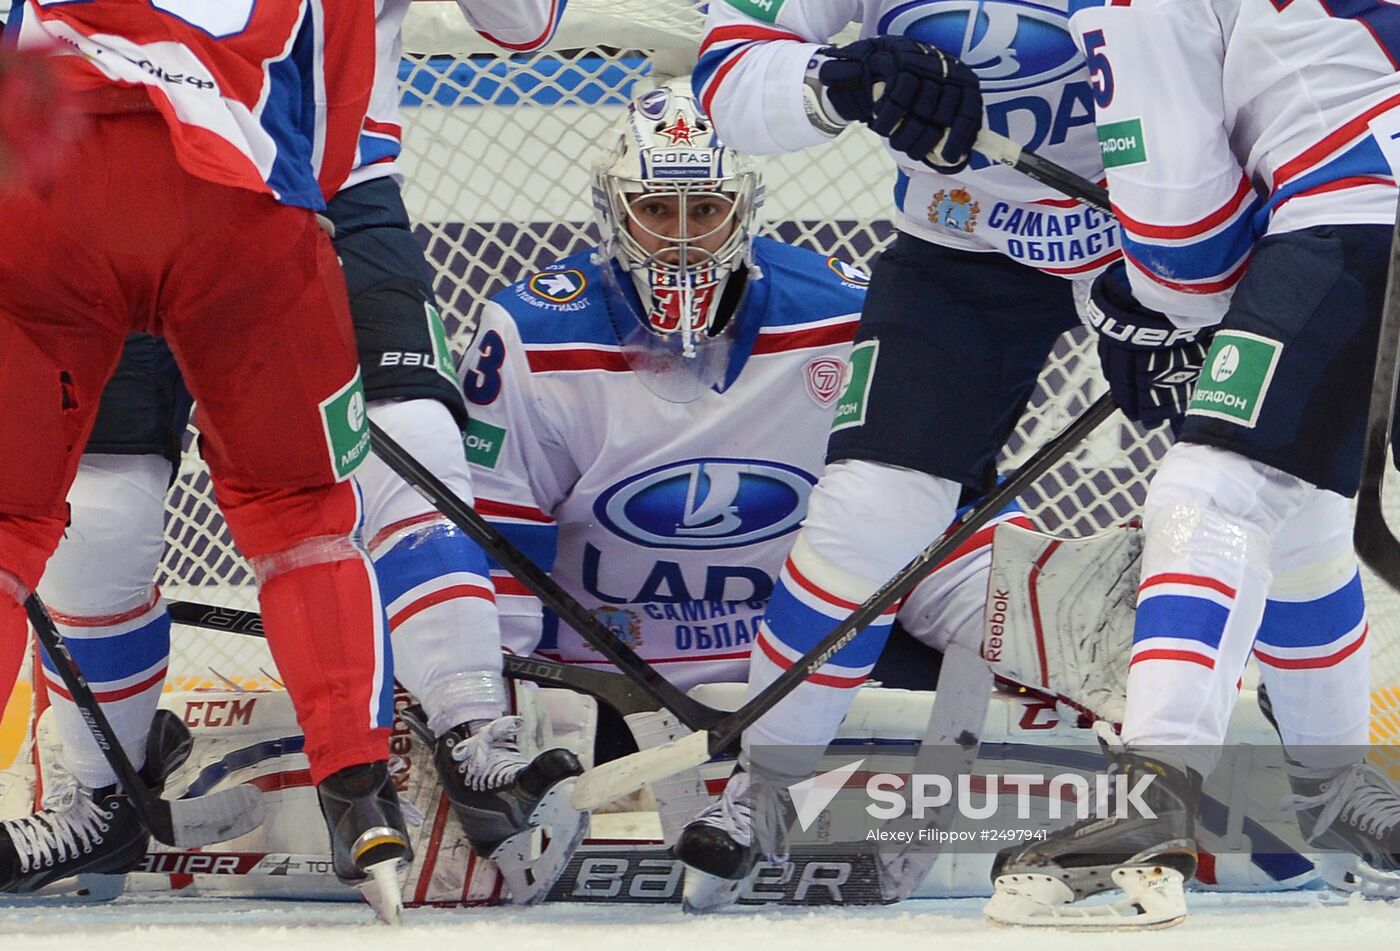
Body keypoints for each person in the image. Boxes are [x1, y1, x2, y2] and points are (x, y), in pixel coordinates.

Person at [0, 0, 586, 908]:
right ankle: (97, 786)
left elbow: (523, 25)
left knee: (408, 440)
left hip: (324, 181)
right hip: (99, 158)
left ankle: (475, 730)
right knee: (104, 501)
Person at [675, 0, 1131, 906]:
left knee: (1246, 483)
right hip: (960, 241)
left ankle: (1296, 766)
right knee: (869, 512)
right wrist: (839, 82)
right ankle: (766, 783)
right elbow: (727, 67)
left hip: (1181, 236)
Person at [986, 0, 1400, 927]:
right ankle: (1339, 792)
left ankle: (1150, 798)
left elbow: (1184, 239)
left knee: (1216, 491)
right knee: (1300, 508)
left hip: (1364, 204)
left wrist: (1149, 301)